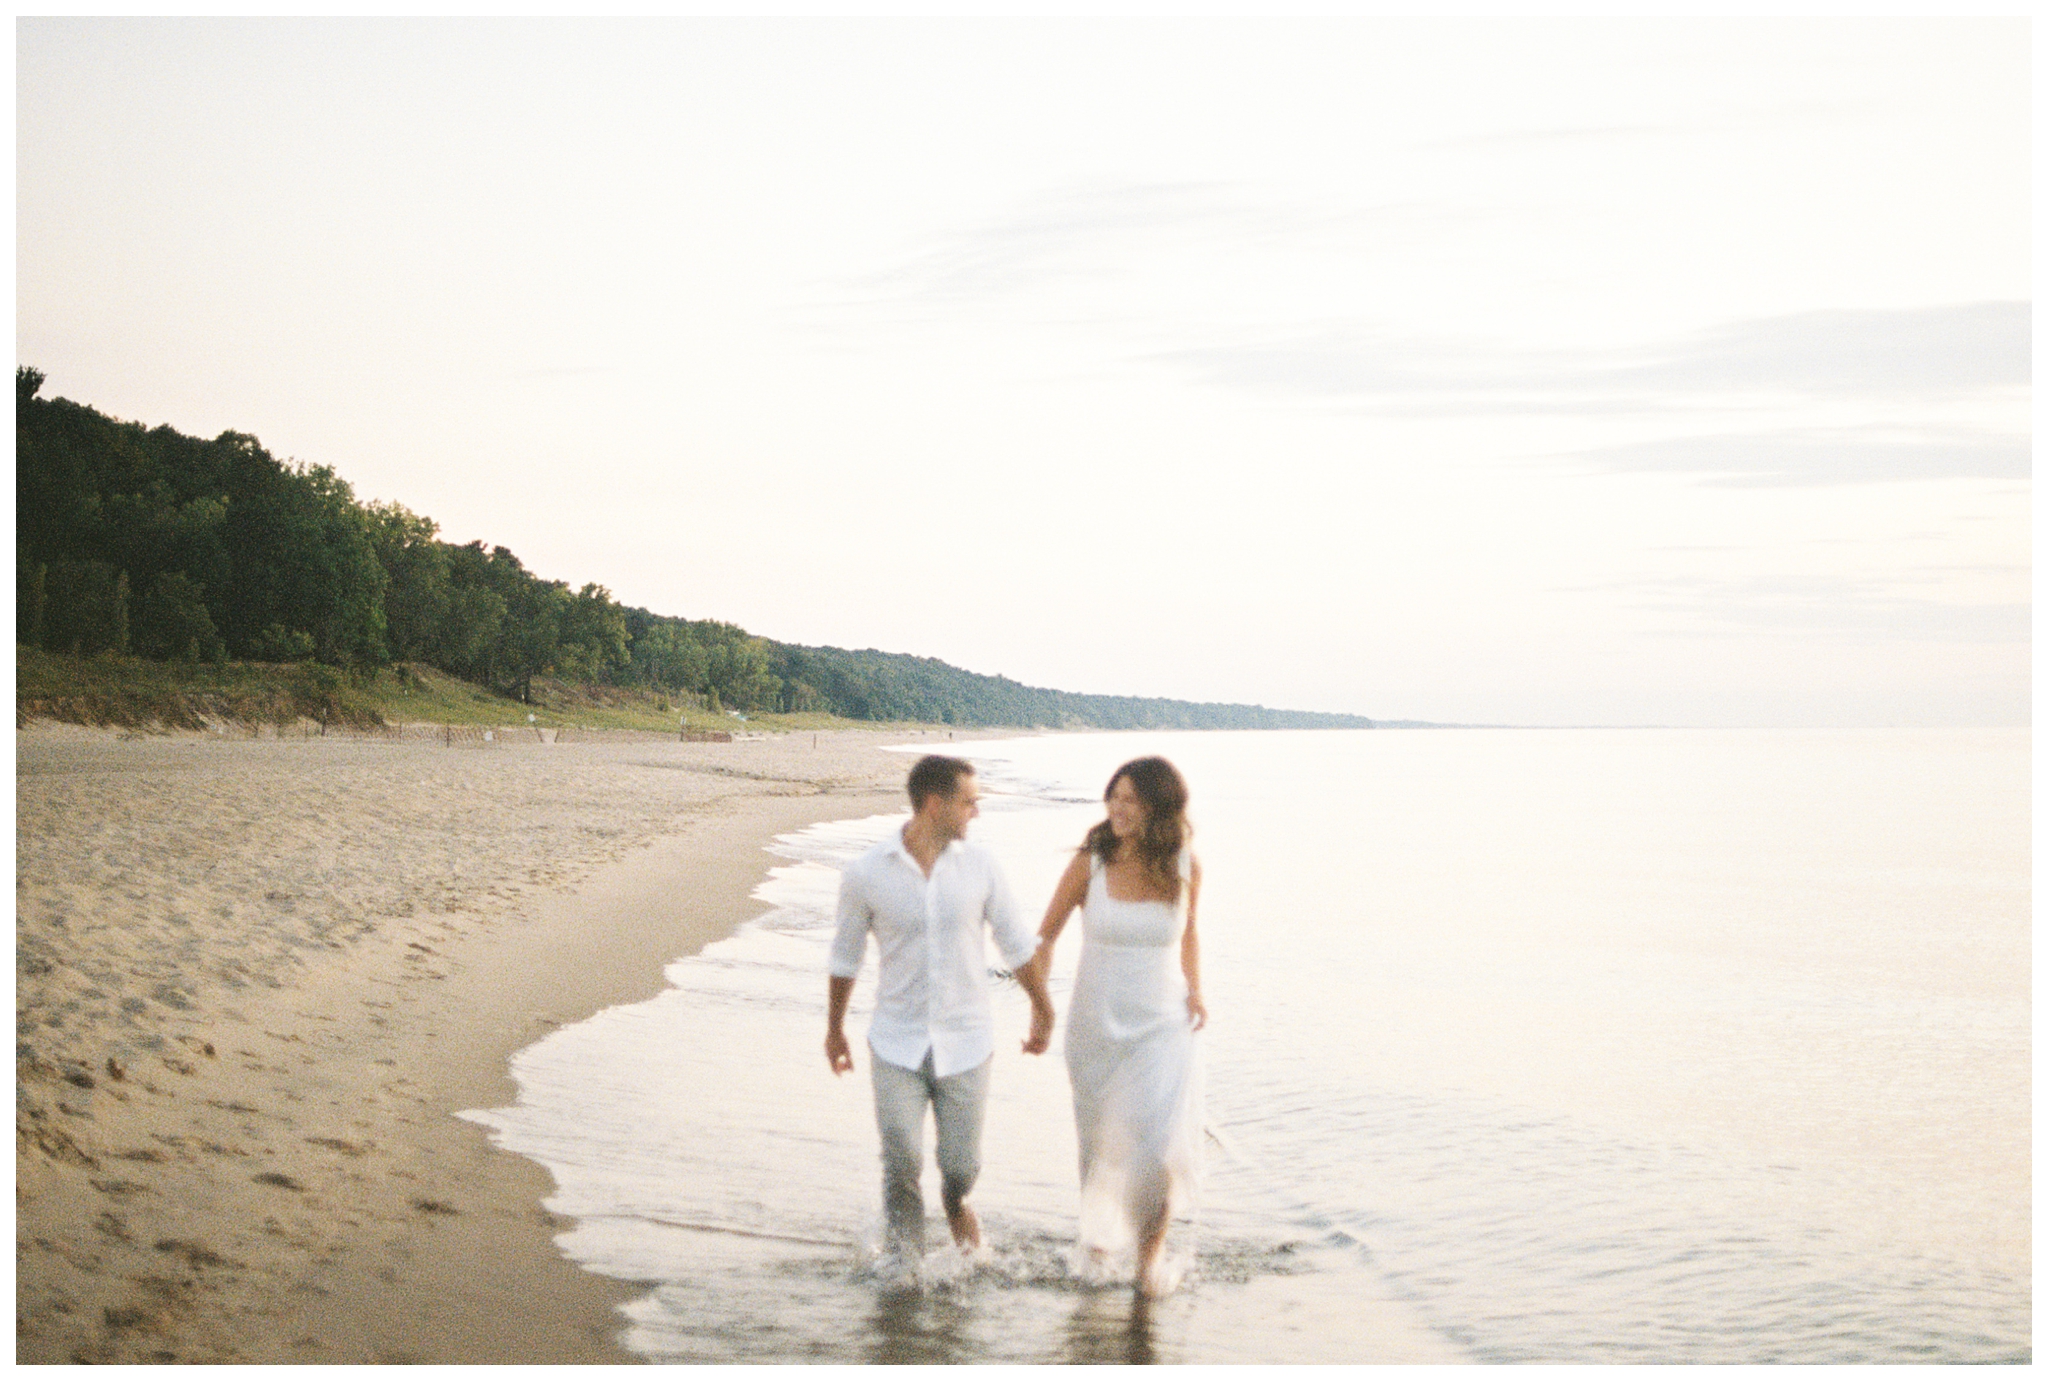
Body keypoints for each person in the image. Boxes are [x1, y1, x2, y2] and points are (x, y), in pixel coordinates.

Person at [826, 755, 1056, 1270]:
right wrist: (834, 1029)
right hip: (895, 1042)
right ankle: (903, 1270)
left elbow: (1016, 943)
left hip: (967, 1042)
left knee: (960, 1170)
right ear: (935, 803)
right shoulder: (866, 872)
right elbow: (845, 957)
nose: (976, 813)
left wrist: (1042, 1007)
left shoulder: (982, 867)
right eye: (969, 802)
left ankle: (960, 1222)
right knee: (902, 1159)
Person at [1020, 755, 1206, 1298]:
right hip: (1095, 1026)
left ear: (1159, 807)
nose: (1118, 809)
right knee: (1102, 1147)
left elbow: (1189, 934)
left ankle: (1148, 1263)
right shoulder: (1091, 863)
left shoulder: (1186, 865)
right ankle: (1100, 1249)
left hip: (1162, 1027)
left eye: (1132, 800)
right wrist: (1039, 1009)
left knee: (1155, 1150)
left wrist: (1196, 989)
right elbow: (1044, 938)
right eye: (1114, 797)